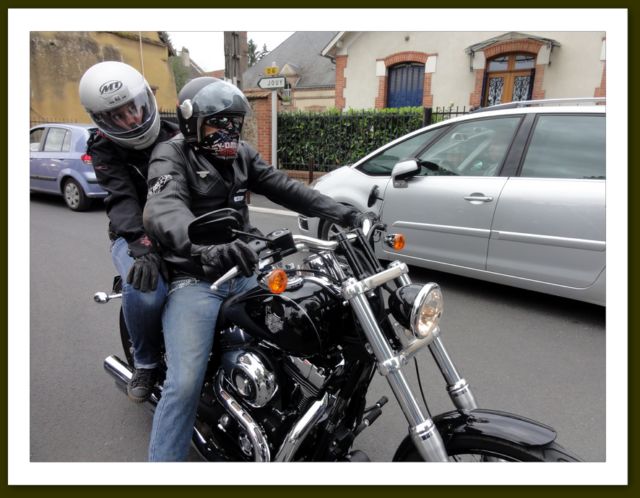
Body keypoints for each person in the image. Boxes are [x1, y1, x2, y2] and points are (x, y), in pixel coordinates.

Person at [142, 77, 370, 461]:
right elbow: (164, 209)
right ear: (192, 123)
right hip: (196, 277)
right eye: (218, 123)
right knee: (184, 384)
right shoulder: (171, 154)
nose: (228, 131)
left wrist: (343, 213)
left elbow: (285, 187)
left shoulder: (241, 155)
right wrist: (203, 248)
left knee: (302, 323)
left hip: (246, 266)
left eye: (234, 123)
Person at [79, 61, 178, 402]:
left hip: (176, 226)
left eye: (133, 109)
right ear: (102, 120)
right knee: (146, 287)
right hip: (131, 233)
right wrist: (141, 245)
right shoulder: (103, 148)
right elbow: (121, 199)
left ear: (145, 101)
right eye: (117, 116)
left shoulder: (174, 135)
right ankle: (145, 362)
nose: (132, 120)